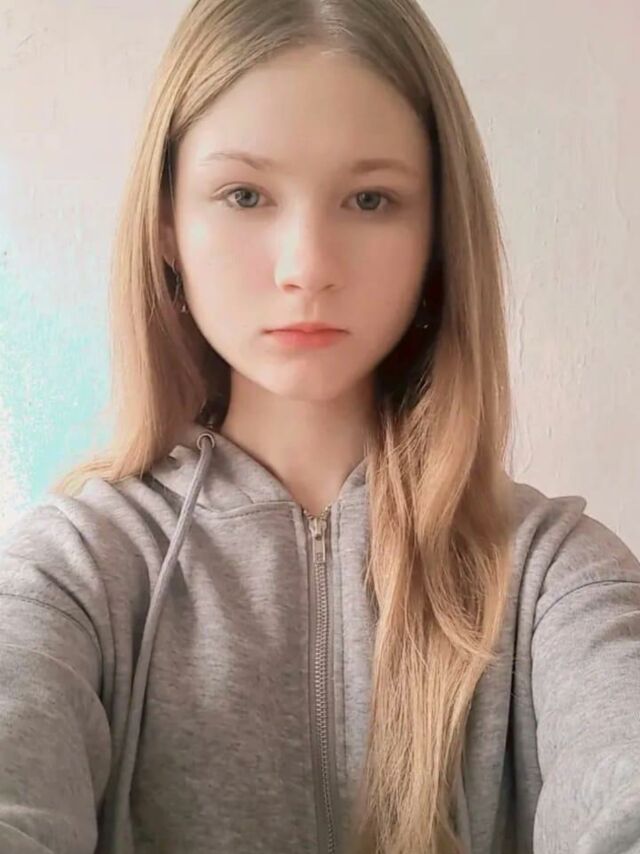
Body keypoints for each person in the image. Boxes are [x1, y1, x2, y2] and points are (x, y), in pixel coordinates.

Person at [1, 0, 639, 852]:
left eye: (370, 199)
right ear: (167, 226)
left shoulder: (556, 577)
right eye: (245, 195)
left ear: (438, 236)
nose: (307, 267)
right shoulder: (72, 573)